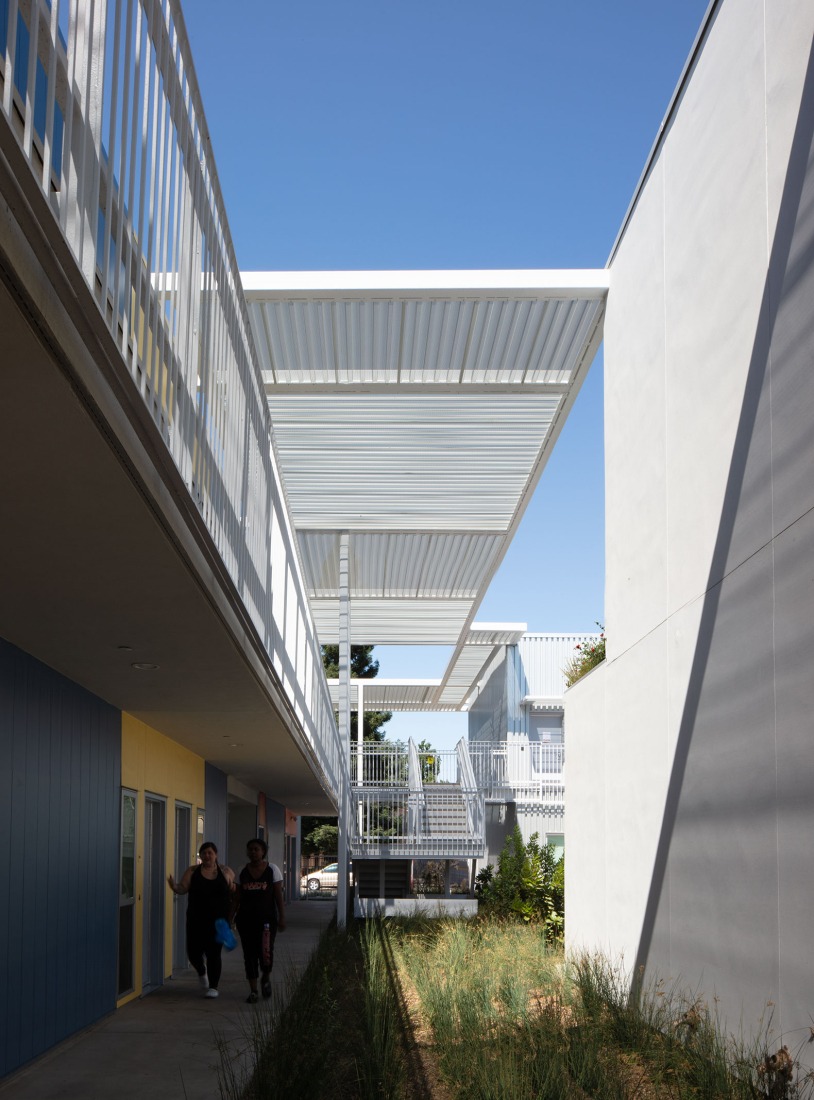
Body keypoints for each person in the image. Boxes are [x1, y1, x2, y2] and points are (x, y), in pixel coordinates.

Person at [168, 841, 235, 999]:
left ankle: (213, 987)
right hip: (196, 919)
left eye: (210, 853)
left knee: (214, 953)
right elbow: (182, 888)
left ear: (216, 855)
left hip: (218, 921)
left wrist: (232, 915)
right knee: (193, 952)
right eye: (204, 853)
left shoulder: (225, 871)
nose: (207, 855)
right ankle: (201, 970)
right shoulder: (193, 871)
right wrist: (174, 886)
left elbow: (233, 890)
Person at [233, 838, 286, 1003]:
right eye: (250, 849)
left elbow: (278, 896)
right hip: (246, 921)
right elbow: (237, 897)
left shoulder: (272, 869)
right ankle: (254, 990)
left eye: (256, 849)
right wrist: (230, 918)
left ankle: (266, 977)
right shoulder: (242, 871)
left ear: (263, 852)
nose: (253, 852)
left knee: (266, 952)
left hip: (267, 921)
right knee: (249, 955)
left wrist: (282, 917)